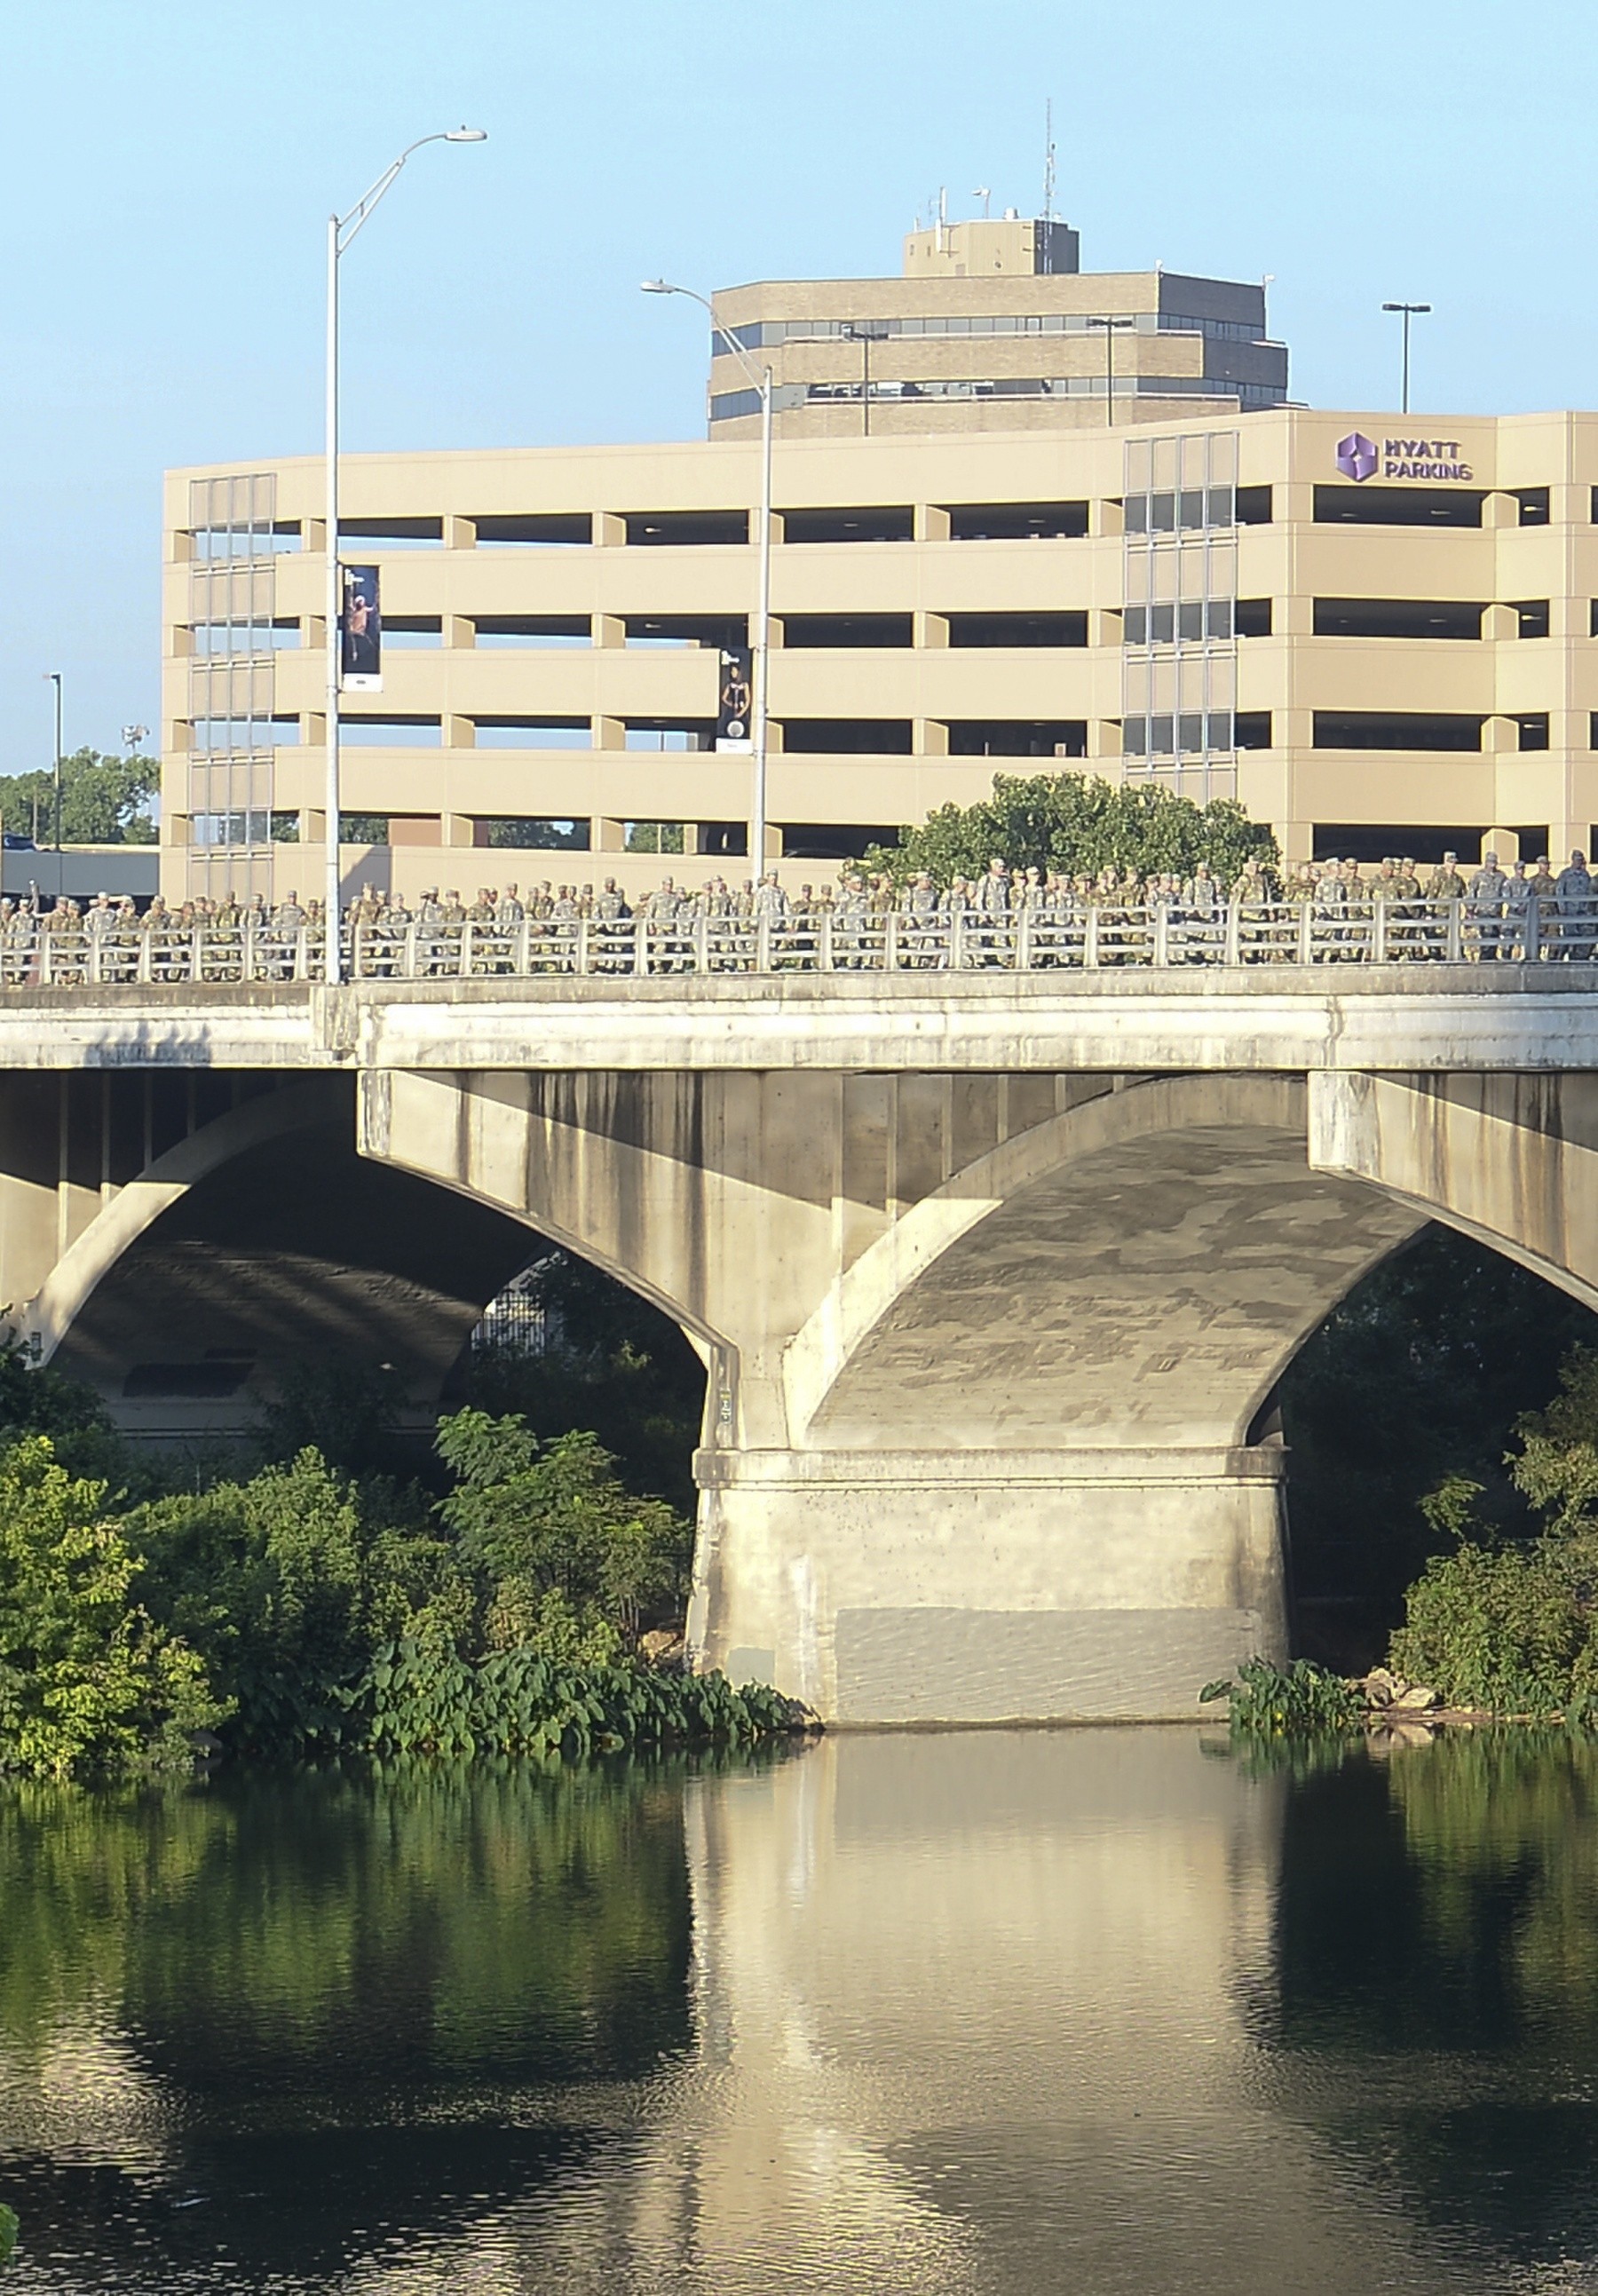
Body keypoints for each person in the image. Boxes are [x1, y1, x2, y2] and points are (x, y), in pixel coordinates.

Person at [1467, 851, 1508, 961]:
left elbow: (1506, 891)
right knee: (1486, 935)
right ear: (1486, 862)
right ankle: (1484, 958)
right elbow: (1472, 892)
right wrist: (1470, 909)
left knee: (1495, 934)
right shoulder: (1478, 875)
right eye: (1490, 862)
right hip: (1483, 911)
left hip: (1496, 911)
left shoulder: (1501, 876)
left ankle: (1493, 956)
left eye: (1494, 862)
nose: (1492, 865)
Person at [1556, 849, 1595, 960]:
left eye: (1580, 860)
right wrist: (1562, 907)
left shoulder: (1585, 874)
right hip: (1570, 910)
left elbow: (1589, 891)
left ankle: (1576, 958)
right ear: (1572, 860)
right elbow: (1560, 891)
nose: (1578, 862)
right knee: (1568, 936)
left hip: (1583, 910)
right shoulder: (1565, 874)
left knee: (1582, 938)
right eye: (1577, 860)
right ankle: (1560, 958)